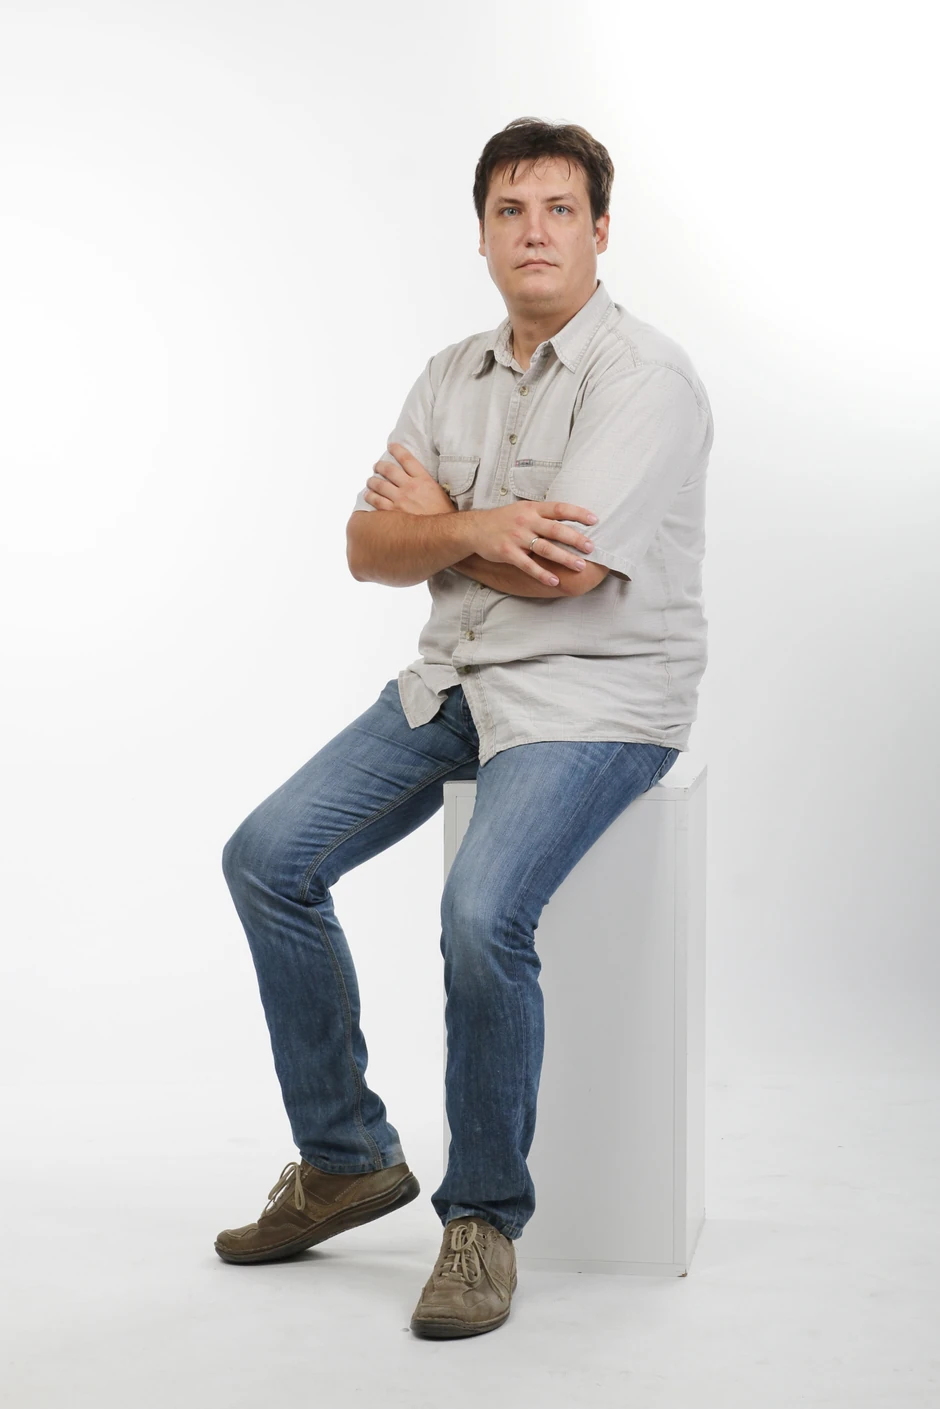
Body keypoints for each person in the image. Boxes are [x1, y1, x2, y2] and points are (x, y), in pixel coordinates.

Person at [216, 115, 713, 1341]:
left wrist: (442, 522)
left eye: (559, 209)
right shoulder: (450, 374)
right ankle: (345, 1157)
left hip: (597, 698)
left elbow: (566, 570)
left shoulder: (645, 379)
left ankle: (483, 1215)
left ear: (601, 231)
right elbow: (364, 546)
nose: (533, 231)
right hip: (457, 681)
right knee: (267, 857)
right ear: (483, 234)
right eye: (509, 211)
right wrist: (478, 525)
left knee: (481, 911)